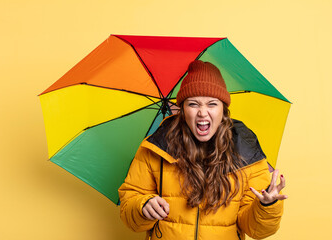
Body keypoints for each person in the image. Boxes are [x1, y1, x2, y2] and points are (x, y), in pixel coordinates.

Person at [118, 60, 287, 240]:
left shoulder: (246, 152)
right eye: (193, 104)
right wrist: (143, 206)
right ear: (182, 109)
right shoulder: (156, 148)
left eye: (212, 104)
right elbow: (130, 210)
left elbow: (257, 231)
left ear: (223, 109)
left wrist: (267, 206)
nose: (202, 113)